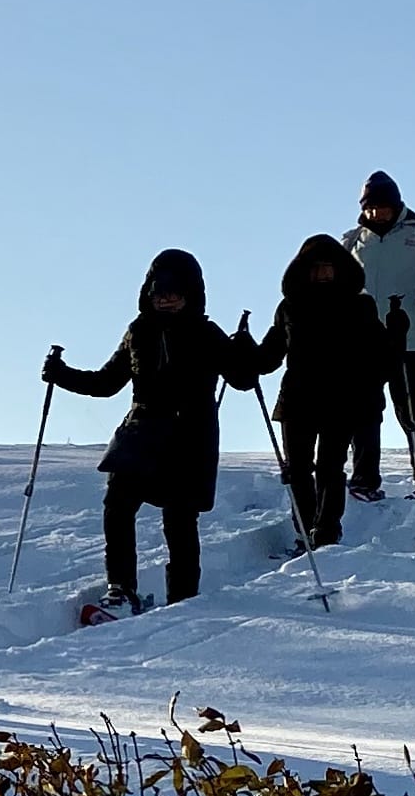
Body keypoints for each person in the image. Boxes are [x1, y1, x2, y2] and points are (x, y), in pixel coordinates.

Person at [43, 248, 262, 613]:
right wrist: (61, 375)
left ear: (191, 294)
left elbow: (242, 380)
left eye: (174, 293)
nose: (166, 299)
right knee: (118, 505)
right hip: (141, 433)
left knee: (179, 519)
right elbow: (106, 383)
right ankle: (121, 588)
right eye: (159, 292)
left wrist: (244, 352)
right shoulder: (138, 332)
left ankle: (182, 599)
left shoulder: (206, 334)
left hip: (189, 438)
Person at [244, 235, 407, 548]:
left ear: (340, 269)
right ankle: (305, 530)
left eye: (327, 267)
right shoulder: (290, 307)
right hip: (297, 399)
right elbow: (269, 357)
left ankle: (327, 530)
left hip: (342, 399)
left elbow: (381, 358)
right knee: (297, 470)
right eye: (315, 268)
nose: (321, 274)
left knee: (330, 468)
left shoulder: (359, 306)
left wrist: (396, 334)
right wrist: (246, 351)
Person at [343, 172, 415, 496]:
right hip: (365, 340)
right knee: (363, 409)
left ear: (395, 205)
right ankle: (364, 481)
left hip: (414, 337)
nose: (375, 213)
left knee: (411, 407)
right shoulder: (352, 242)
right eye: (369, 207)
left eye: (382, 206)